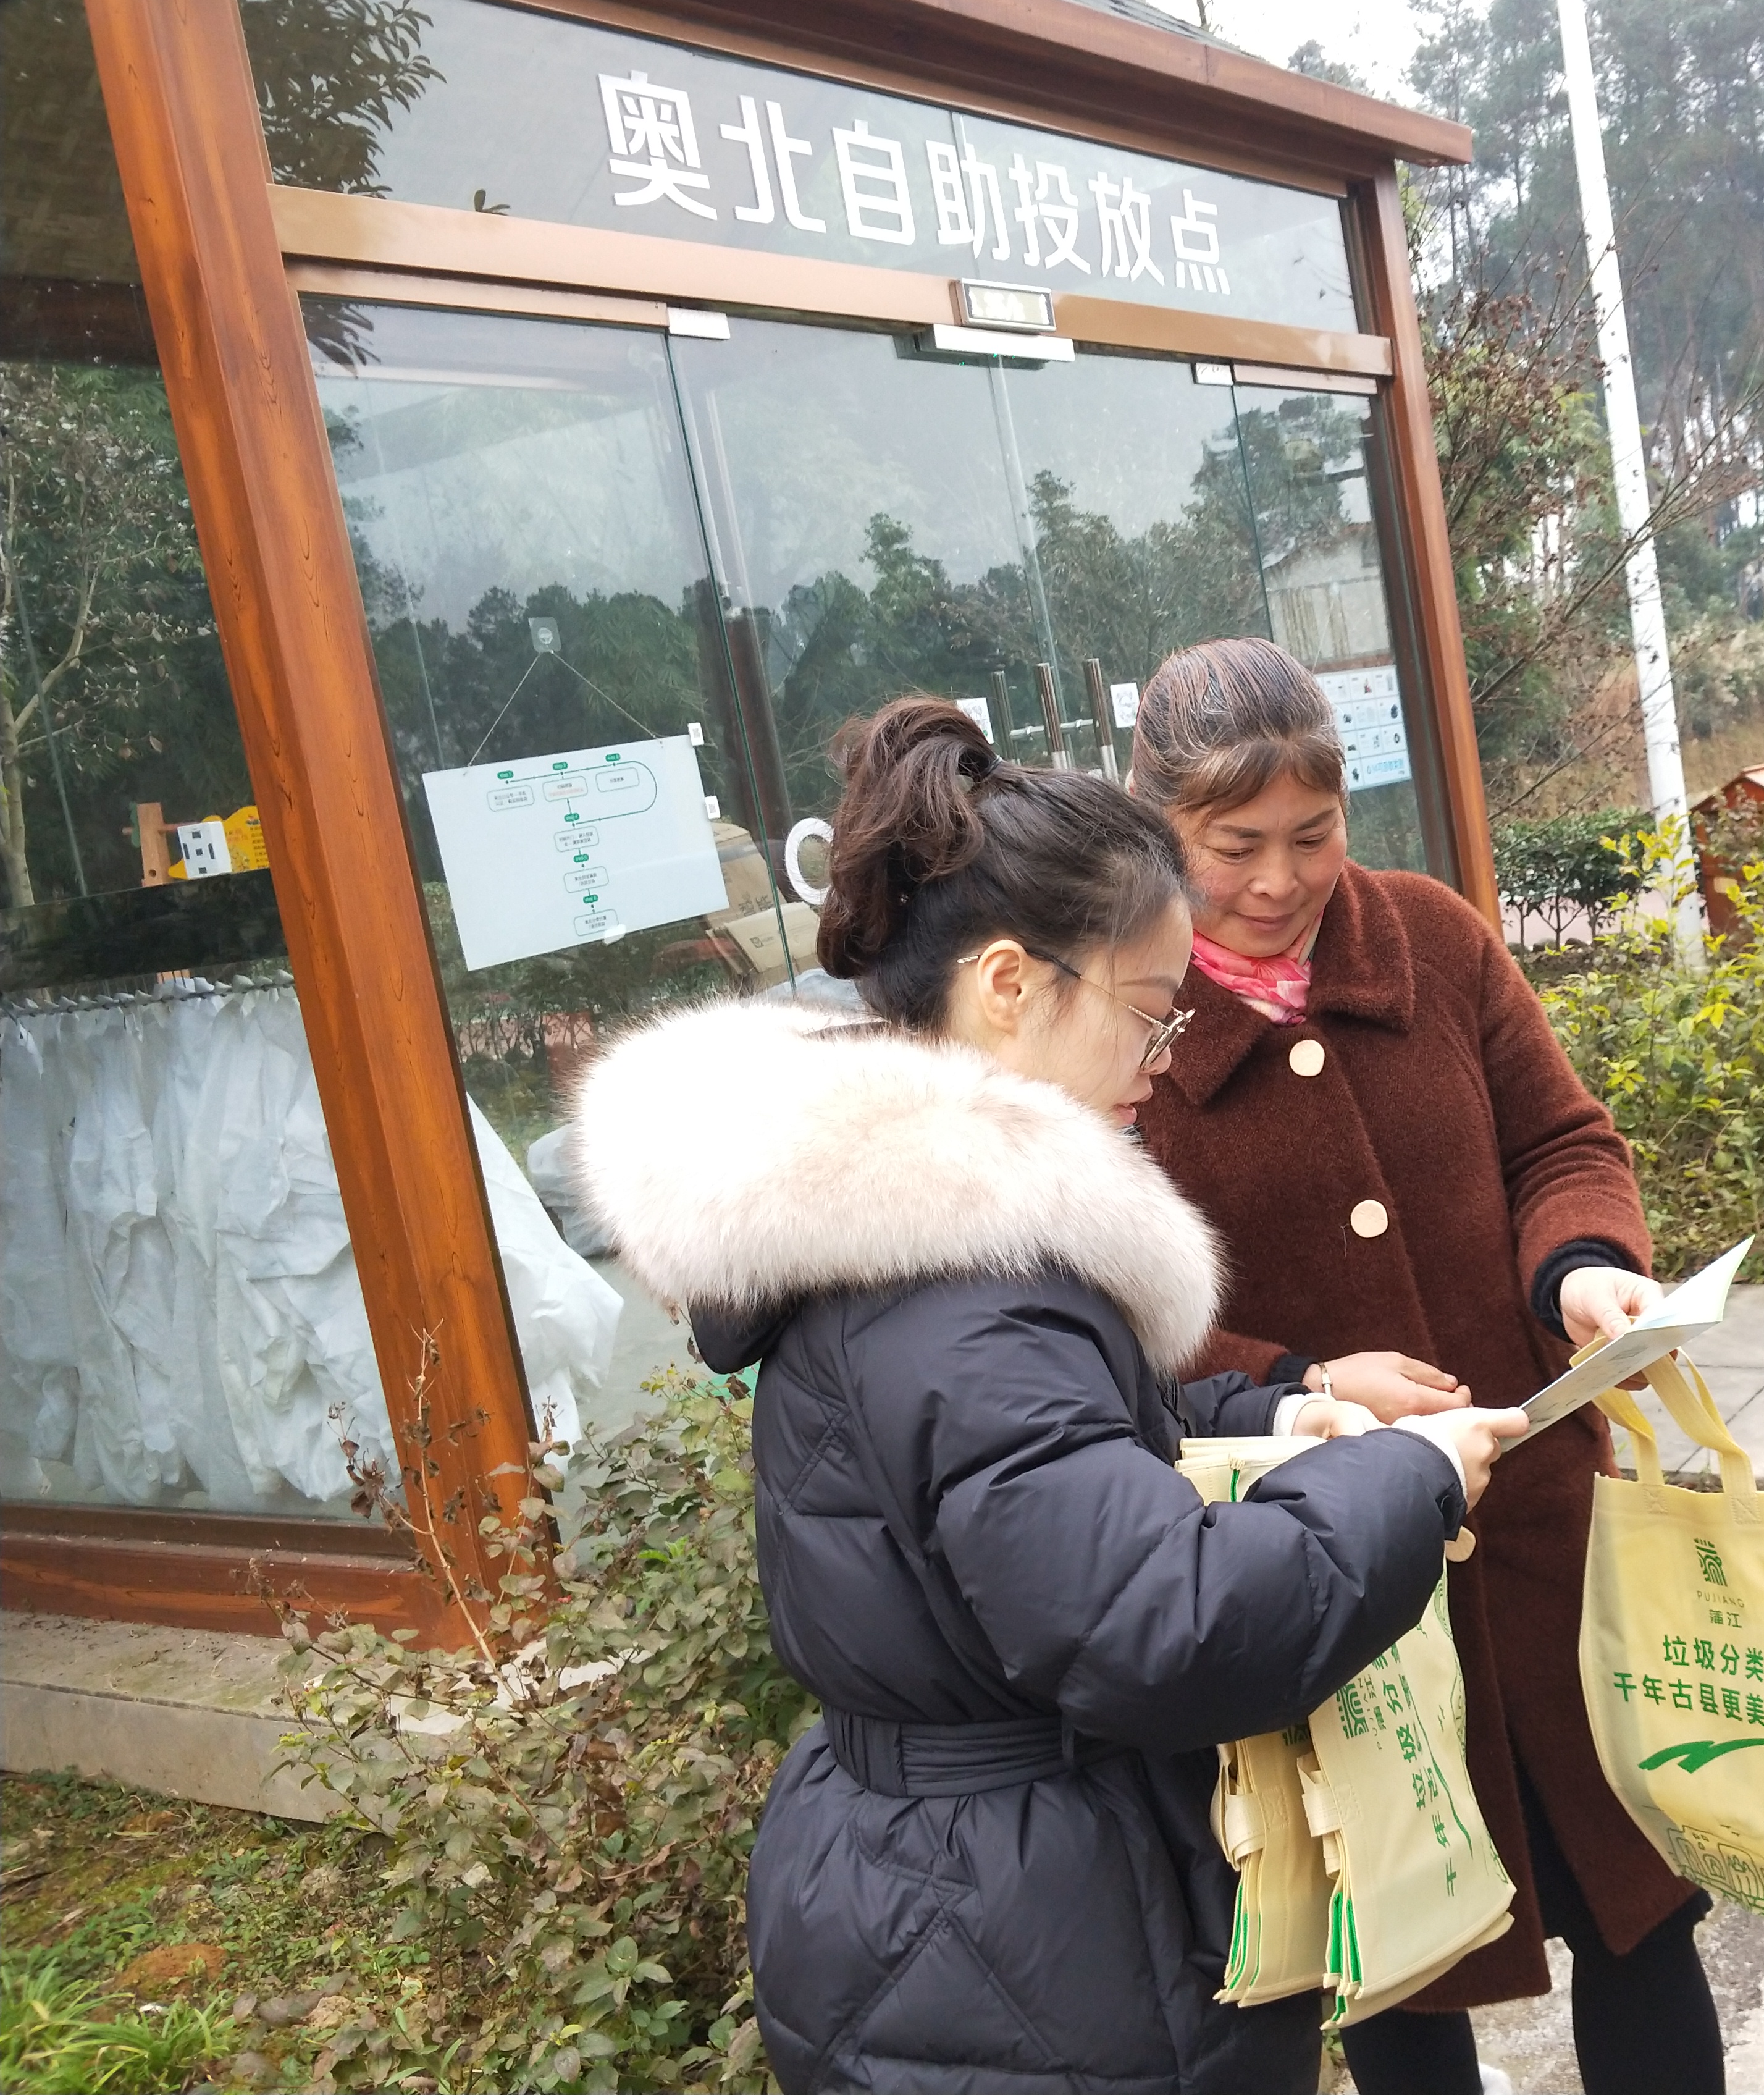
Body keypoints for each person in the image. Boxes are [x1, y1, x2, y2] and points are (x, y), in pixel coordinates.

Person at [571, 698, 1527, 2095]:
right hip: (1027, 1949)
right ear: (1013, 985)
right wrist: (1412, 1473)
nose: (1161, 1056)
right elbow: (1168, 1620)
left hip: (952, 1897)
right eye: (1151, 1008)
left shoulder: (894, 1238)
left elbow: (1036, 1469)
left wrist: (1268, 1421)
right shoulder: (967, 1289)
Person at [1125, 639, 1726, 2095]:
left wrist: (1577, 1264)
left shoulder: (1433, 936)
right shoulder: (1124, 1015)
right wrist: (1297, 1376)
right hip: (1331, 1564)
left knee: (1639, 1912)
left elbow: (1561, 1142)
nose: (1278, 881)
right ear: (1156, 827)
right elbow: (1116, 1310)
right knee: (1400, 1967)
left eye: (1312, 837)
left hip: (1541, 1524)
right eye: (1233, 847)